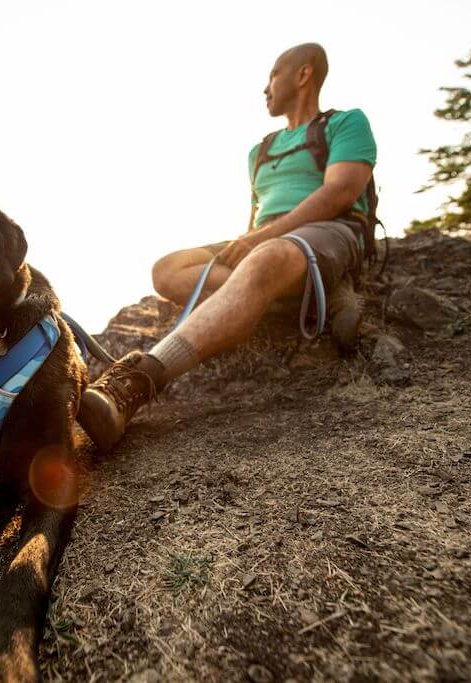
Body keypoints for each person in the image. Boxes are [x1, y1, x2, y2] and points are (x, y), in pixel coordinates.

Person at [78, 43, 378, 452]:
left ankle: (140, 380)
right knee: (168, 269)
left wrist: (261, 241)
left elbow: (340, 192)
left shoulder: (346, 123)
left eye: (273, 75)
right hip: (269, 242)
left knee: (266, 258)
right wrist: (255, 241)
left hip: (329, 229)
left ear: (303, 74)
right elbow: (256, 217)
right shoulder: (261, 150)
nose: (265, 88)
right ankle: (289, 299)